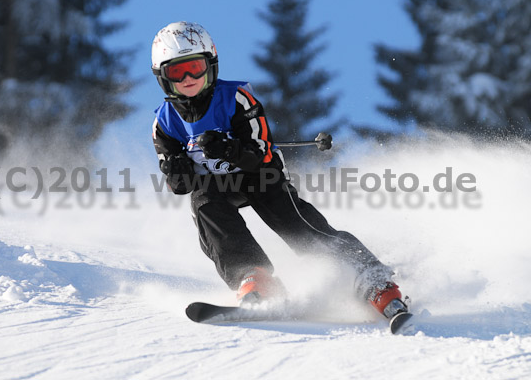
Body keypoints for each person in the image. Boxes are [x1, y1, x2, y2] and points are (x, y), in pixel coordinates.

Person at [150, 21, 408, 319]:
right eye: (177, 72)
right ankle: (254, 278)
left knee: (296, 225)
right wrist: (178, 170)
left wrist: (229, 149)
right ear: (163, 78)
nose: (188, 78)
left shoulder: (236, 99)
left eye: (195, 67)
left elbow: (260, 152)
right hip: (215, 187)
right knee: (204, 205)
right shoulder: (164, 123)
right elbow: (178, 184)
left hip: (260, 175)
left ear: (211, 64)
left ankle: (372, 280)